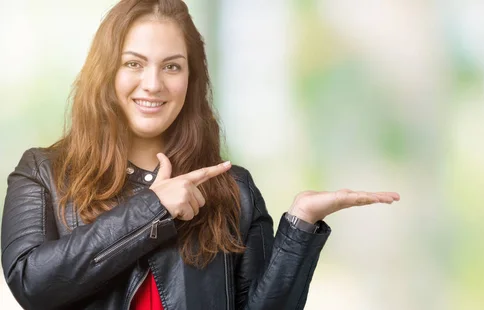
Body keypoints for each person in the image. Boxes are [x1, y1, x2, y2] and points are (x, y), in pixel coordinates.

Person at [0, 0, 400, 309]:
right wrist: (153, 208)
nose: (153, 83)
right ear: (105, 72)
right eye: (133, 63)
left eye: (172, 67)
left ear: (191, 80)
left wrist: (300, 228)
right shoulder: (43, 172)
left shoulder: (233, 189)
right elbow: (32, 284)